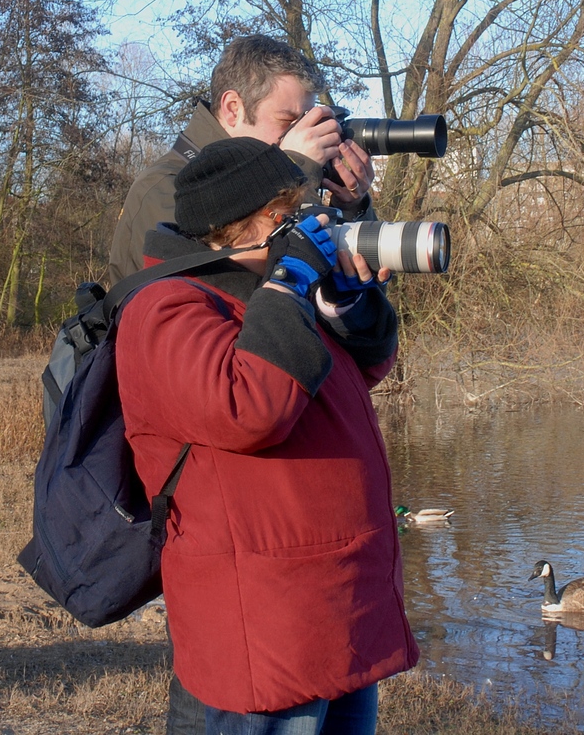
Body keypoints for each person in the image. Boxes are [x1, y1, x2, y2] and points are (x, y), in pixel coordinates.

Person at [115, 137, 418, 735]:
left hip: (338, 605)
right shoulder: (165, 308)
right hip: (268, 623)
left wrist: (350, 306)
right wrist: (289, 282)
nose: (301, 228)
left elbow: (365, 371)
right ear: (236, 229)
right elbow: (249, 408)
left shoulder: (271, 294)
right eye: (284, 218)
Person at [109, 34, 376, 284]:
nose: (306, 136)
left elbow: (333, 299)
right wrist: (294, 170)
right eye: (289, 121)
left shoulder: (268, 182)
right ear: (233, 109)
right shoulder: (166, 189)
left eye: (309, 122)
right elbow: (255, 296)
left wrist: (351, 207)